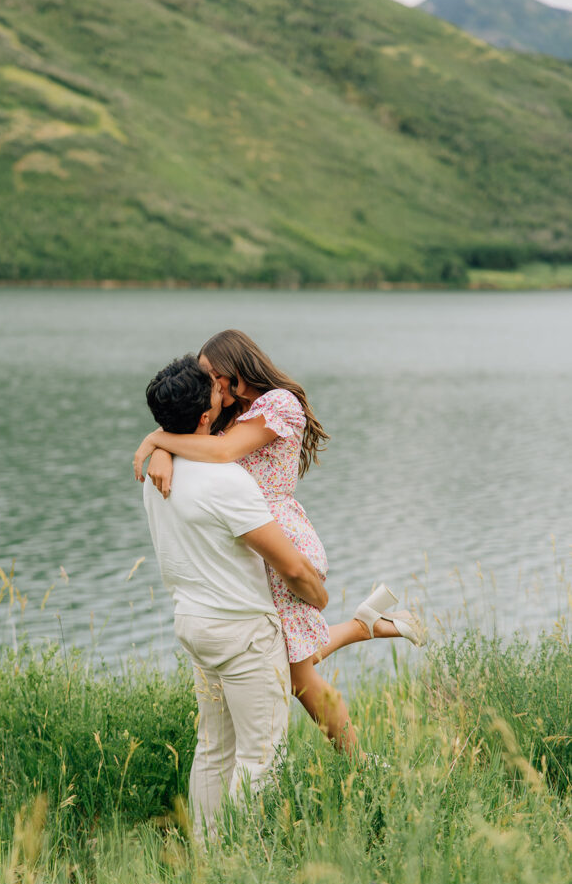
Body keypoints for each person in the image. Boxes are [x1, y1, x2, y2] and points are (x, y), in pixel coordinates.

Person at [134, 330, 425, 753]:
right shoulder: (227, 411)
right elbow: (194, 436)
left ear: (237, 369)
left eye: (213, 378)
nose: (209, 389)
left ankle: (362, 768)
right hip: (247, 537)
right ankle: (367, 625)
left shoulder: (278, 405)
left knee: (296, 676)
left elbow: (218, 453)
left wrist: (155, 441)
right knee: (289, 661)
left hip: (277, 539)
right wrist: (164, 447)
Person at [141, 354, 329, 839]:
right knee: (261, 755)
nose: (224, 392)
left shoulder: (159, 472)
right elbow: (289, 564)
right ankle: (238, 861)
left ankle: (207, 854)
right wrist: (317, 596)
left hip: (194, 627)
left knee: (214, 750)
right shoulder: (227, 480)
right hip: (243, 634)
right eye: (216, 391)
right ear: (206, 415)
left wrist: (159, 441)